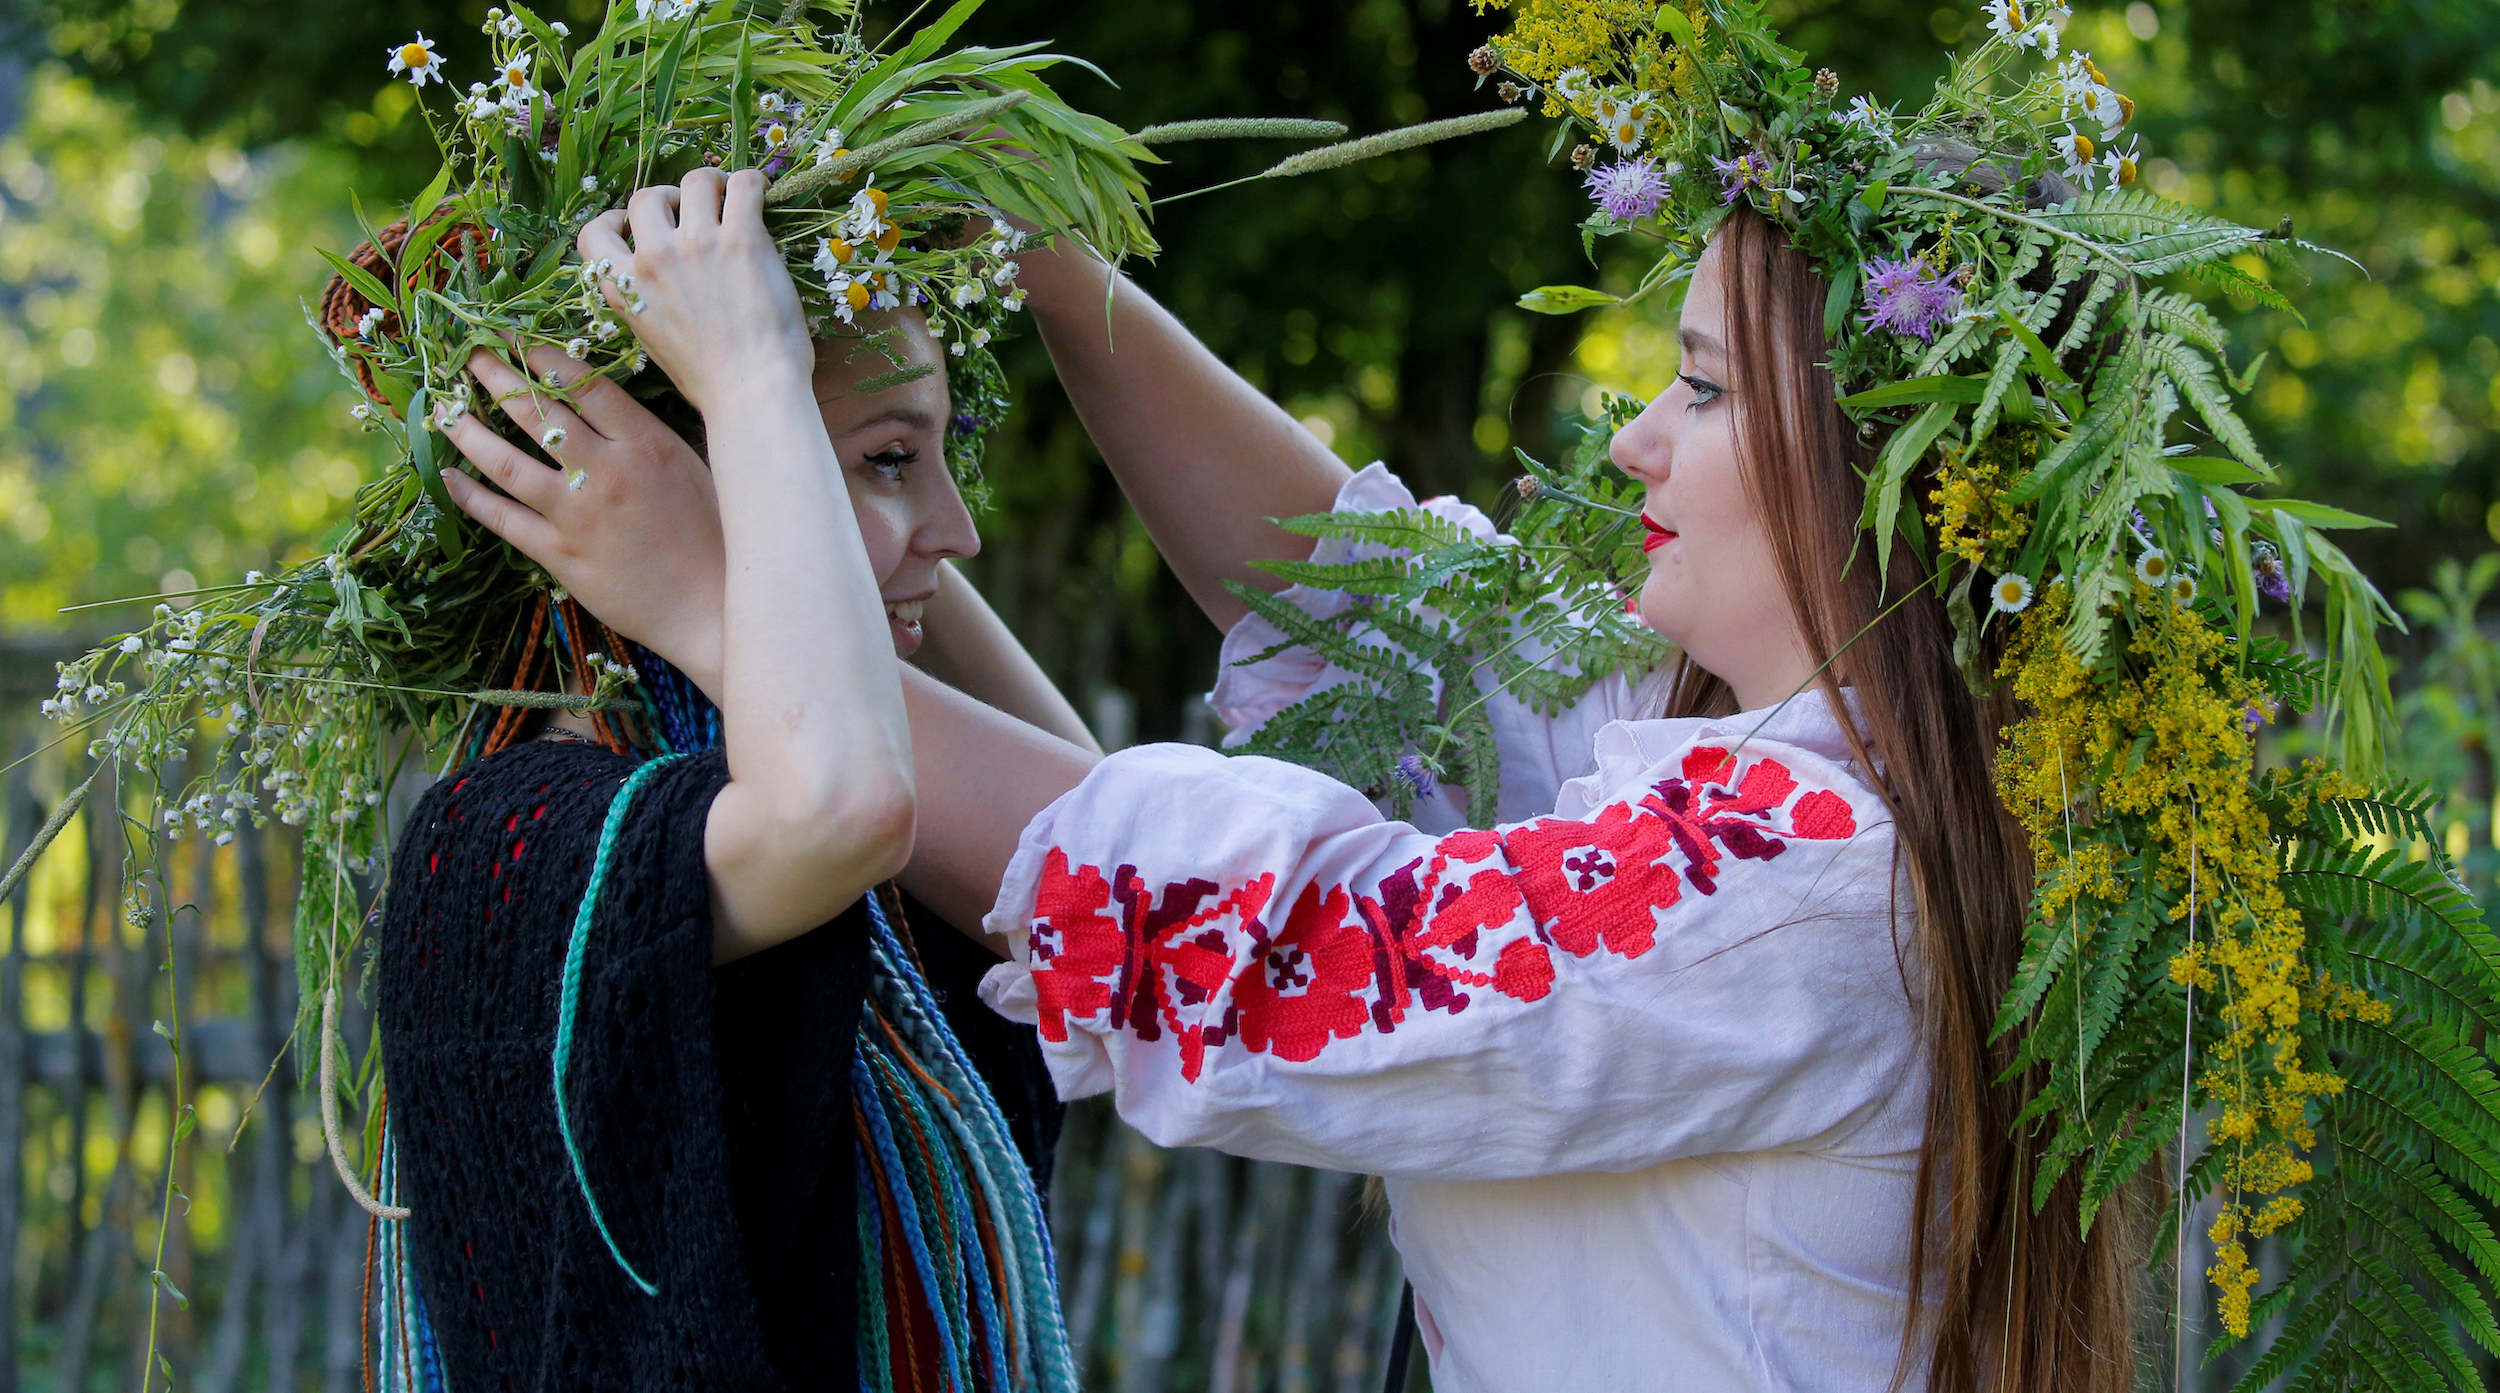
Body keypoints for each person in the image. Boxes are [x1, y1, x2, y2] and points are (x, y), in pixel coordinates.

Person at [483, 197, 2131, 1391]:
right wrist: (1046, 252)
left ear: (1880, 470)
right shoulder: (1768, 760)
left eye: (1699, 388)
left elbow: (1304, 946)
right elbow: (1372, 602)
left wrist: (725, 589)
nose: (1637, 439)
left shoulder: (1808, 874)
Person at [376, 167, 1092, 1392]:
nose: (959, 528)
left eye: (937, 453)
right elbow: (841, 809)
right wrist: (750, 391)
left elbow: (1095, 837)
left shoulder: (851, 792)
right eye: (886, 460)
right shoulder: (511, 839)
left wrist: (818, 464)